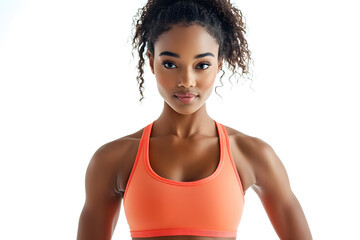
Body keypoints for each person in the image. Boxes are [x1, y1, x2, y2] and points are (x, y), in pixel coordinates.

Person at [77, 0, 312, 239]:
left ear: (219, 64)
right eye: (170, 64)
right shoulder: (112, 160)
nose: (186, 80)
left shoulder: (252, 154)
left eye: (202, 65)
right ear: (151, 61)